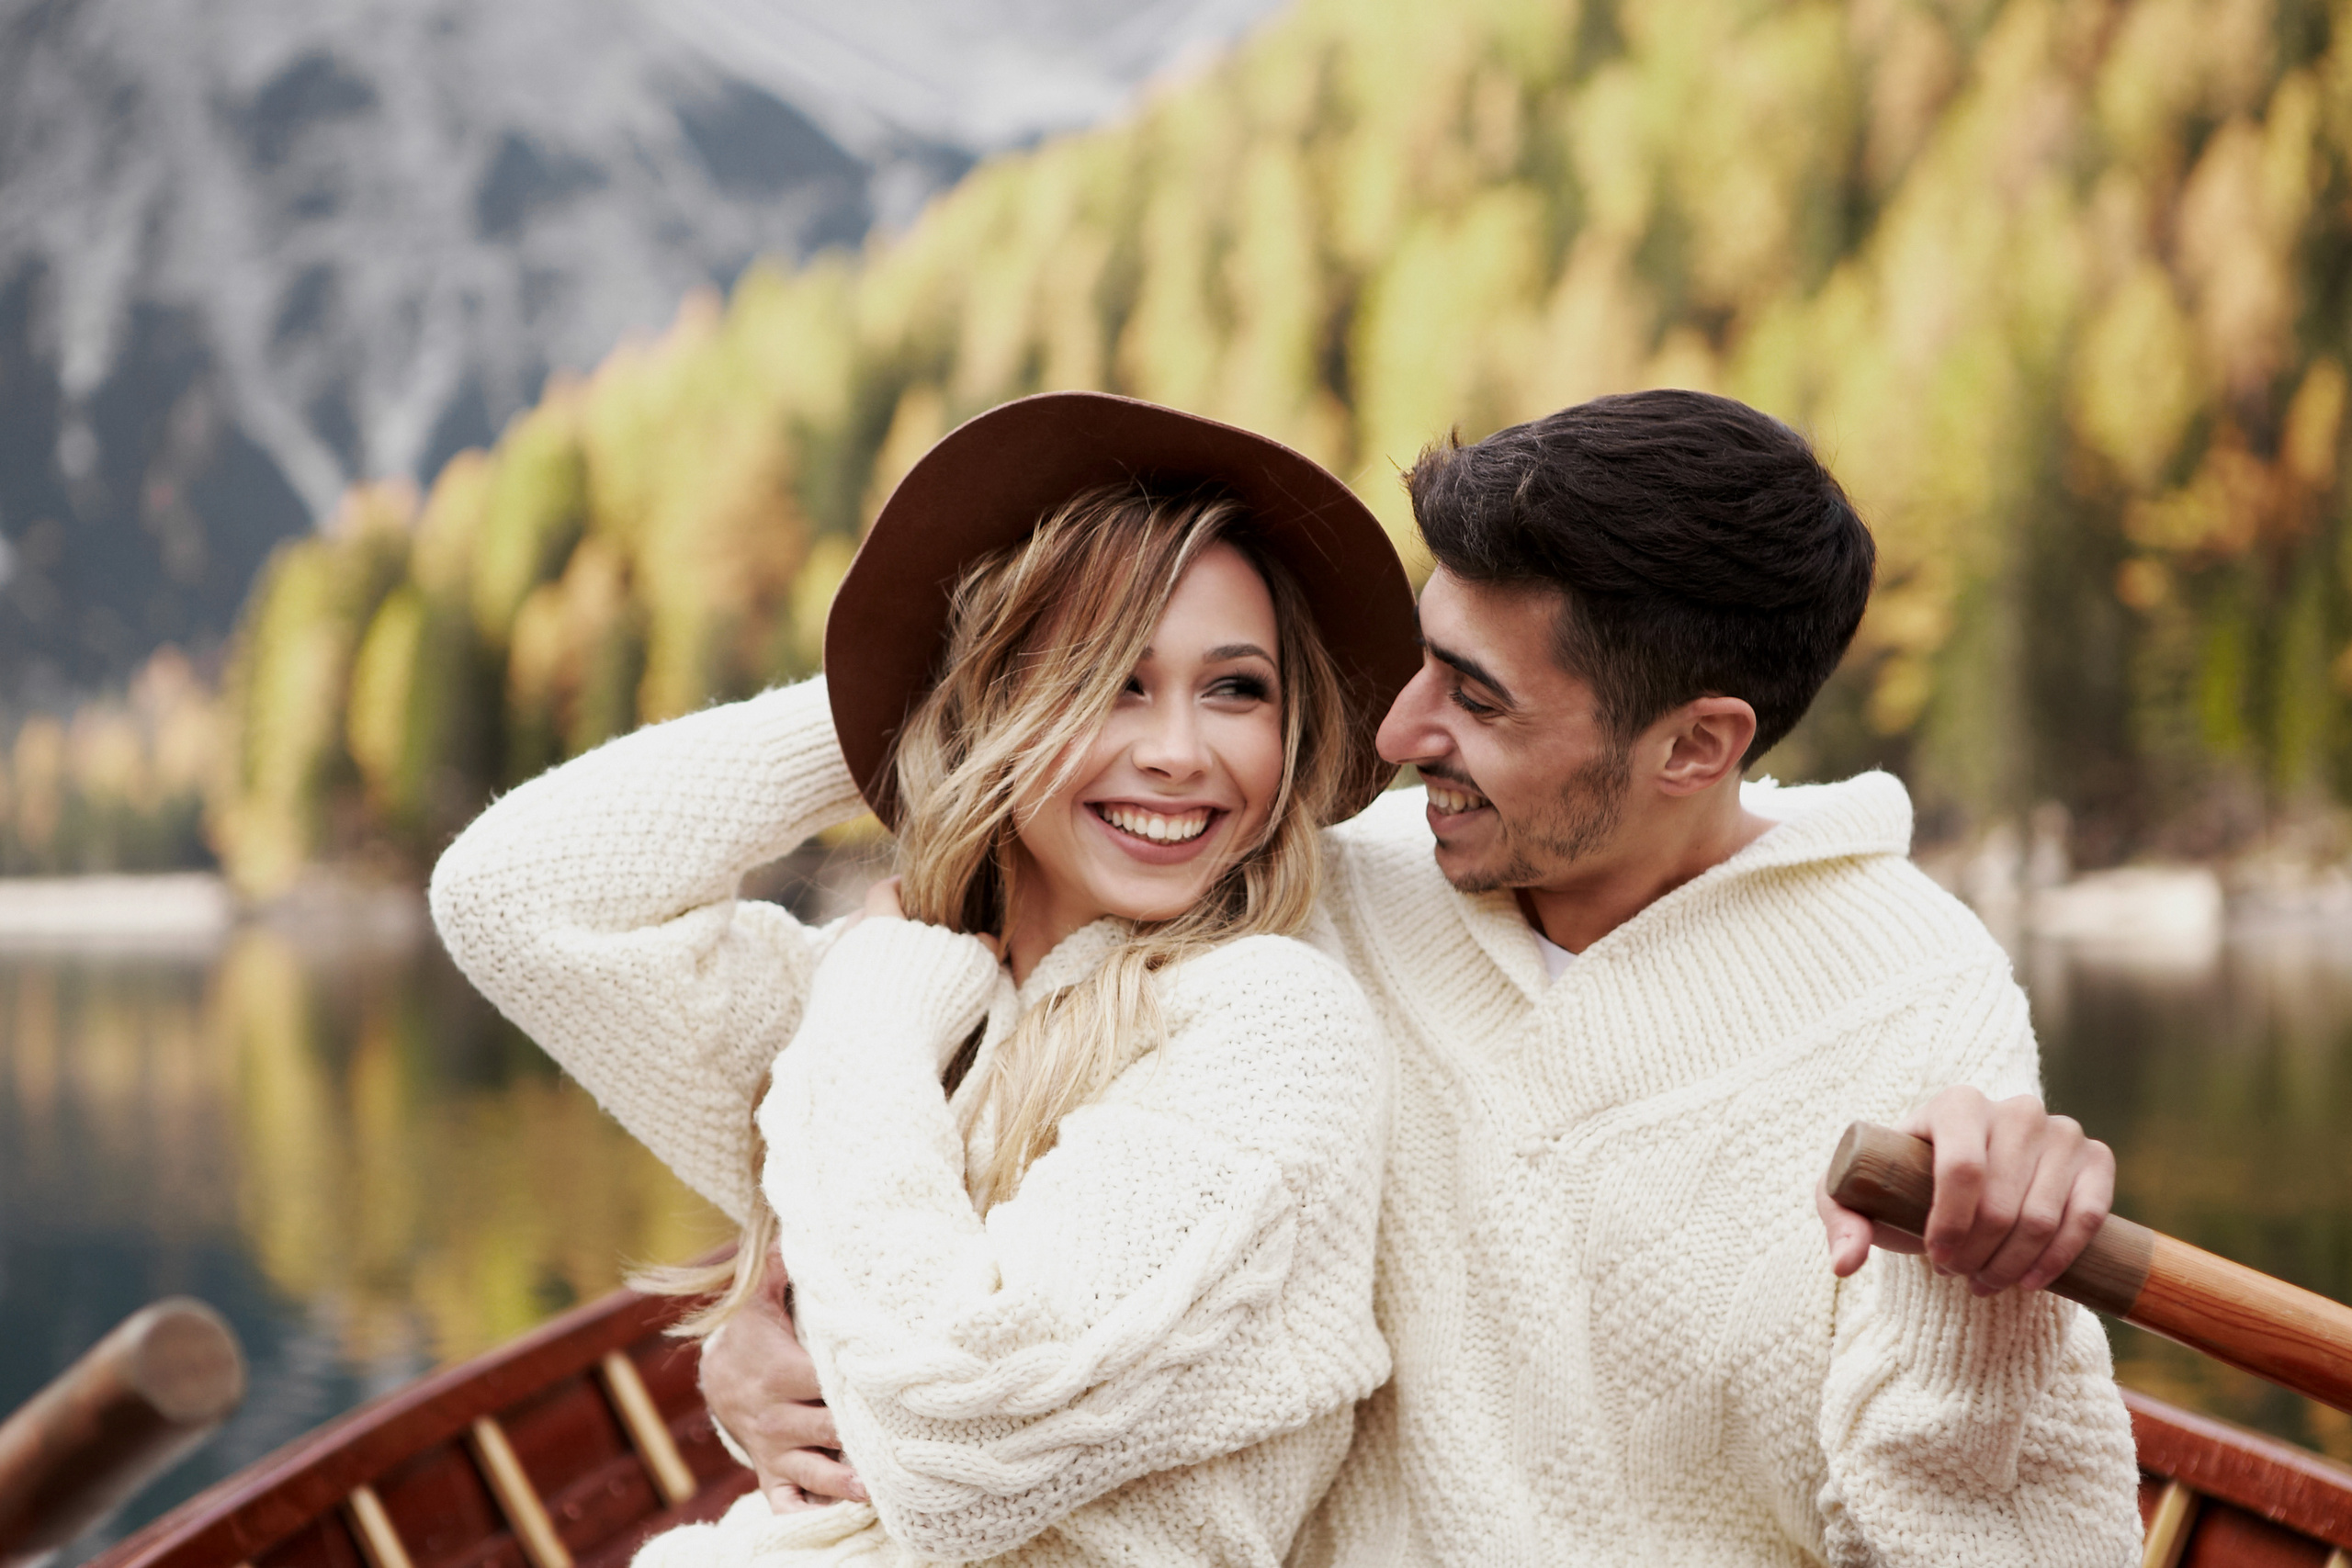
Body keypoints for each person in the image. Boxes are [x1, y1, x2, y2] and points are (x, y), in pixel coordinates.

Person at [689, 389, 2145, 1565]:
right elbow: (939, 1083)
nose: (1390, 732)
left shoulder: (1916, 993)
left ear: (1697, 745)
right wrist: (773, 1340)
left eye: (1477, 696)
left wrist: (1987, 1303)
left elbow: (1987, 1537)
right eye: (1423, 657)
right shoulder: (1315, 881)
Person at [429, 392, 1424, 1566]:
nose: (1177, 749)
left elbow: (953, 1456)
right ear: (998, 704)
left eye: (1235, 688)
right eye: (1109, 680)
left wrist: (863, 1005)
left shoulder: (1267, 1025)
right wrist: (904, 691)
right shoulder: (927, 1010)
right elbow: (512, 896)